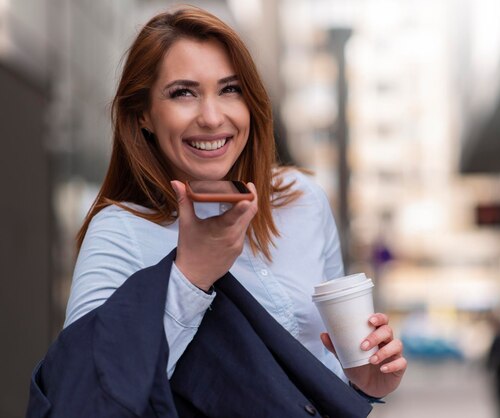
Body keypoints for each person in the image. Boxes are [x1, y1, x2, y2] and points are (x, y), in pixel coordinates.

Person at [28, 5, 406, 417]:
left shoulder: (302, 200)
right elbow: (85, 397)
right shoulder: (120, 230)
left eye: (230, 89)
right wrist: (189, 276)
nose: (212, 117)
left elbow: (318, 368)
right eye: (183, 93)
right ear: (143, 116)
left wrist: (359, 381)